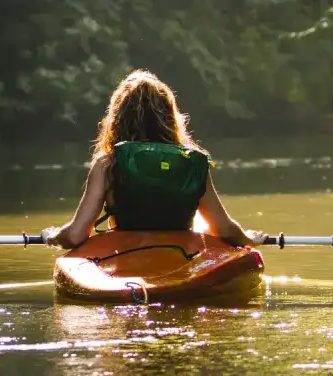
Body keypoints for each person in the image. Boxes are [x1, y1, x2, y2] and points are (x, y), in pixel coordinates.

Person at [42, 69, 267, 249]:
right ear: (170, 116)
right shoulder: (192, 162)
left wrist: (53, 235)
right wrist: (248, 240)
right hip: (181, 257)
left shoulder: (108, 164)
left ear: (117, 118)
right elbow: (224, 229)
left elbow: (74, 236)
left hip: (124, 256)